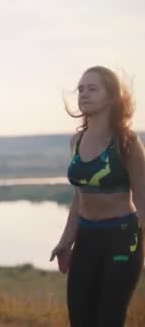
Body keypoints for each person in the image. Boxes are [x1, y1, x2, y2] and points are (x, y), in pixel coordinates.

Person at [50, 66, 144, 326]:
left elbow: (142, 197)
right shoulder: (76, 141)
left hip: (123, 237)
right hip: (87, 237)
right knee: (80, 317)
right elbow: (79, 197)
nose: (84, 94)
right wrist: (65, 241)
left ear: (112, 96)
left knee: (109, 319)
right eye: (80, 89)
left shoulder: (127, 141)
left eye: (92, 89)